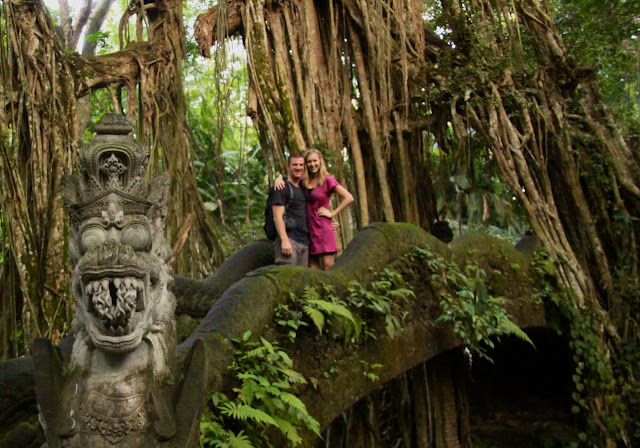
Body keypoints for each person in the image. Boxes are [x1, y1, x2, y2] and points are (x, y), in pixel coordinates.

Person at [275, 148, 354, 270]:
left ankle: (330, 289)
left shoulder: (328, 180)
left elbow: (349, 197)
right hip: (308, 228)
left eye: (315, 161)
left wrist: (332, 214)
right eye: (309, 162)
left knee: (328, 266)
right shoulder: (303, 181)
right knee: (312, 267)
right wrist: (278, 179)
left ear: (320, 161)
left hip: (323, 227)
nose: (313, 164)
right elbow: (290, 181)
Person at [272, 153, 310, 266]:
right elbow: (277, 216)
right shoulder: (282, 187)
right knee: (286, 278)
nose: (298, 167)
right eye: (295, 165)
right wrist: (284, 239)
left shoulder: (304, 188)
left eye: (301, 165)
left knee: (301, 281)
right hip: (290, 240)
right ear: (288, 167)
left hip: (304, 241)